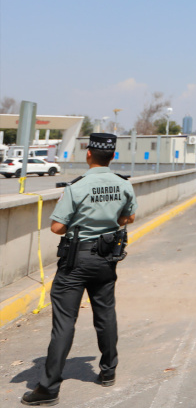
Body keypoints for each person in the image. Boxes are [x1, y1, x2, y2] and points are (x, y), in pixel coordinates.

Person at [23, 133, 137, 406]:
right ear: (113, 156)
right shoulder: (123, 184)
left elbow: (56, 227)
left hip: (76, 260)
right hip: (107, 258)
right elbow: (128, 217)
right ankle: (108, 372)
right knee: (105, 313)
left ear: (88, 154)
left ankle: (48, 388)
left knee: (64, 322)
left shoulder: (77, 187)